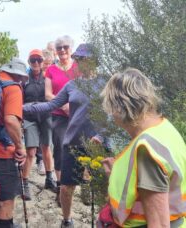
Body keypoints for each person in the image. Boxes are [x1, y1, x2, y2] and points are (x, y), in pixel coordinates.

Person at [24, 43, 105, 228]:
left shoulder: (105, 83)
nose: (81, 62)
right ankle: (67, 220)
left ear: (94, 61)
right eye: (79, 59)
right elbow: (50, 105)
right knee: (67, 187)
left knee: (103, 188)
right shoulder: (72, 85)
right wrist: (23, 109)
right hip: (74, 141)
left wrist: (102, 135)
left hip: (98, 143)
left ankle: (105, 220)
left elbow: (111, 114)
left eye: (85, 59)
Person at [100, 68, 186, 227]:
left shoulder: (147, 150)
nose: (112, 115)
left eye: (111, 108)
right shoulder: (165, 129)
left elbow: (159, 225)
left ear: (121, 107)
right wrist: (114, 173)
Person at [0, 58, 28, 228]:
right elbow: (11, 120)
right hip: (3, 152)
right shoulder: (12, 87)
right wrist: (20, 146)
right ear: (19, 75)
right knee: (5, 202)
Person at [44, 35, 78, 207]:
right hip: (59, 116)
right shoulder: (51, 70)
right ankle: (60, 186)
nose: (62, 50)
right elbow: (48, 94)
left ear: (71, 48)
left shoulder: (78, 67)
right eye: (59, 48)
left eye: (65, 47)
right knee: (60, 149)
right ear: (55, 51)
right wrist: (64, 105)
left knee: (80, 149)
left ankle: (77, 185)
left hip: (79, 116)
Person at [22, 49, 57, 201]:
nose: (36, 63)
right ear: (29, 62)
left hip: (46, 117)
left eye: (39, 60)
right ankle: (24, 183)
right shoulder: (24, 79)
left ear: (43, 62)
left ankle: (49, 179)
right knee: (30, 151)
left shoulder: (48, 77)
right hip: (29, 118)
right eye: (33, 60)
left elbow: (54, 96)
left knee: (46, 148)